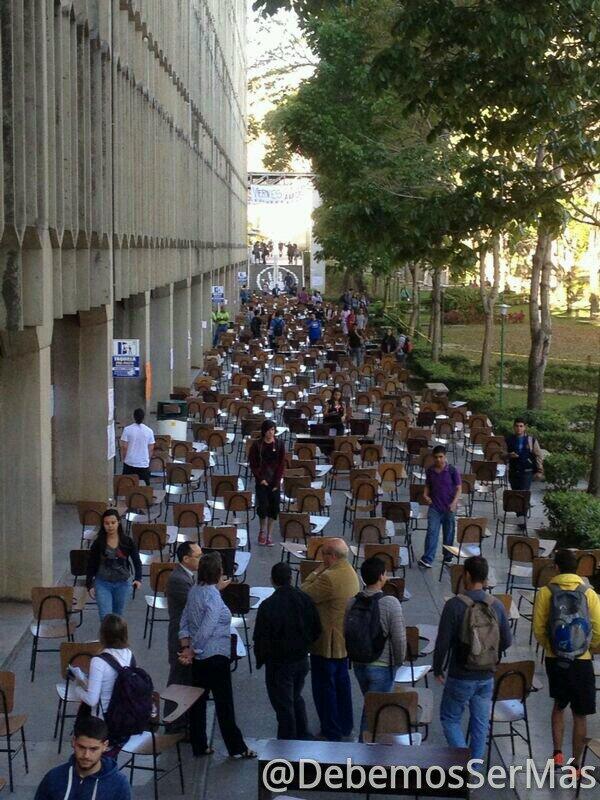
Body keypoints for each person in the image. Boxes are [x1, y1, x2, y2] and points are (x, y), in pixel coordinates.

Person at [433, 556, 512, 762]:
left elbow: (443, 641)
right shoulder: (496, 605)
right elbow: (507, 640)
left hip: (460, 673)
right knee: (480, 723)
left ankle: (463, 762)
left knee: (449, 718)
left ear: (466, 575)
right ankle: (474, 769)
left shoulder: (454, 605)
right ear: (485, 579)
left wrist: (438, 668)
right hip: (486, 674)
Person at [179, 553, 256, 759]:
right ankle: (236, 746)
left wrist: (186, 645)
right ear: (218, 572)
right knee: (224, 704)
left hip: (199, 660)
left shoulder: (196, 590)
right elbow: (207, 627)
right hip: (215, 656)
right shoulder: (212, 596)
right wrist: (193, 648)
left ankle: (200, 744)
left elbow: (185, 618)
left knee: (198, 703)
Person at [533, 549, 600, 772]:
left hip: (556, 659)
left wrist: (552, 647)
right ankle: (576, 764)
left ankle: (557, 754)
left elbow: (539, 629)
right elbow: (598, 629)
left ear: (557, 568)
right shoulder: (589, 594)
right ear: (578, 569)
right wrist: (587, 647)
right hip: (582, 661)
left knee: (559, 705)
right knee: (580, 715)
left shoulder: (546, 592)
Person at [254, 562, 322, 740]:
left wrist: (262, 658)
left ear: (272, 580)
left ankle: (287, 744)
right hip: (301, 659)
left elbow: (261, 636)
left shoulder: (268, 605)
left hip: (279, 663)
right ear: (291, 578)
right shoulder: (304, 599)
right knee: (296, 696)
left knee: (283, 705)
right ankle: (303, 733)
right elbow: (316, 627)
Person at [301, 538, 360, 741]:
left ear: (332, 556)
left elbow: (304, 594)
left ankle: (330, 730)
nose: (321, 557)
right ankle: (345, 725)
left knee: (324, 688)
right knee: (342, 685)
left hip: (326, 641)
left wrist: (315, 572)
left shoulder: (328, 578)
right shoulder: (351, 572)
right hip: (342, 640)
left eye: (324, 553)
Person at [345, 557, 406, 740]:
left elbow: (345, 631)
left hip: (359, 664)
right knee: (374, 710)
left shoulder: (352, 602)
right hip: (382, 665)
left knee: (370, 703)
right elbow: (399, 638)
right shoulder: (390, 603)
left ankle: (368, 745)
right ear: (381, 576)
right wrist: (398, 662)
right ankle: (366, 749)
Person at [73, 615, 136, 748]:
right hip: (124, 717)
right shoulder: (129, 655)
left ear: (103, 635)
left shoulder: (99, 661)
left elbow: (92, 700)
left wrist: (78, 689)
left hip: (102, 721)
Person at [34, 716, 130, 800]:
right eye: (81, 747)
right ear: (74, 742)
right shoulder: (54, 777)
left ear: (105, 746)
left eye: (93, 749)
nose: (86, 755)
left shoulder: (119, 785)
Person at [165, 542, 202, 727]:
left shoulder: (188, 576)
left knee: (185, 679)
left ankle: (181, 721)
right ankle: (174, 722)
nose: (201, 559)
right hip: (179, 637)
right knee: (178, 679)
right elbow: (194, 605)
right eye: (198, 556)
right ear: (186, 559)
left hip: (186, 634)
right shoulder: (178, 579)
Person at [86, 510, 142, 619]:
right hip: (103, 583)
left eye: (113, 522)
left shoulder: (127, 541)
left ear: (118, 523)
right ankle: (106, 636)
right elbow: (91, 564)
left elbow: (136, 561)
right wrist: (89, 584)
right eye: (107, 523)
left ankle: (116, 636)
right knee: (105, 617)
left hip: (123, 583)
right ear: (103, 525)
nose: (110, 526)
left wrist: (138, 578)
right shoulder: (98, 543)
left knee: (117, 617)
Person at [418, 446, 461, 569]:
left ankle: (448, 557)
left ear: (445, 456)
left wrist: (454, 503)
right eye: (436, 457)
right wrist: (425, 495)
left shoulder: (452, 470)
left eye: (441, 457)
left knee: (449, 533)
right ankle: (427, 558)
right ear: (433, 458)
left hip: (449, 507)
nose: (438, 460)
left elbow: (459, 488)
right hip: (435, 507)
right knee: (432, 532)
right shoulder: (430, 471)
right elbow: (428, 485)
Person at [249, 420, 286, 546]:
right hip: (262, 481)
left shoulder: (280, 444)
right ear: (264, 431)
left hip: (275, 480)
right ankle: (262, 531)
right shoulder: (257, 445)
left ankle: (270, 534)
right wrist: (260, 479)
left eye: (273, 430)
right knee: (263, 507)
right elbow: (253, 464)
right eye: (269, 430)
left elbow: (281, 464)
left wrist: (277, 481)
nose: (271, 433)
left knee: (274, 508)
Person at [504, 418, 544, 528]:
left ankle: (523, 521)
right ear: (514, 427)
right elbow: (502, 454)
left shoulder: (531, 440)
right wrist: (508, 455)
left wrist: (540, 470)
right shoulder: (509, 440)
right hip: (513, 471)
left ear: (524, 427)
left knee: (524, 495)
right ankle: (519, 517)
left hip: (527, 472)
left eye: (521, 426)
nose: (519, 428)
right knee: (516, 495)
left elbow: (538, 455)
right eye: (517, 426)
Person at [120, 408, 155, 485]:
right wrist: (147, 459)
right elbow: (151, 448)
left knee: (126, 485)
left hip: (129, 462)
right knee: (145, 488)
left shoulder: (127, 429)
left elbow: (124, 447)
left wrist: (124, 458)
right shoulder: (149, 431)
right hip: (143, 463)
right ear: (143, 417)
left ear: (133, 417)